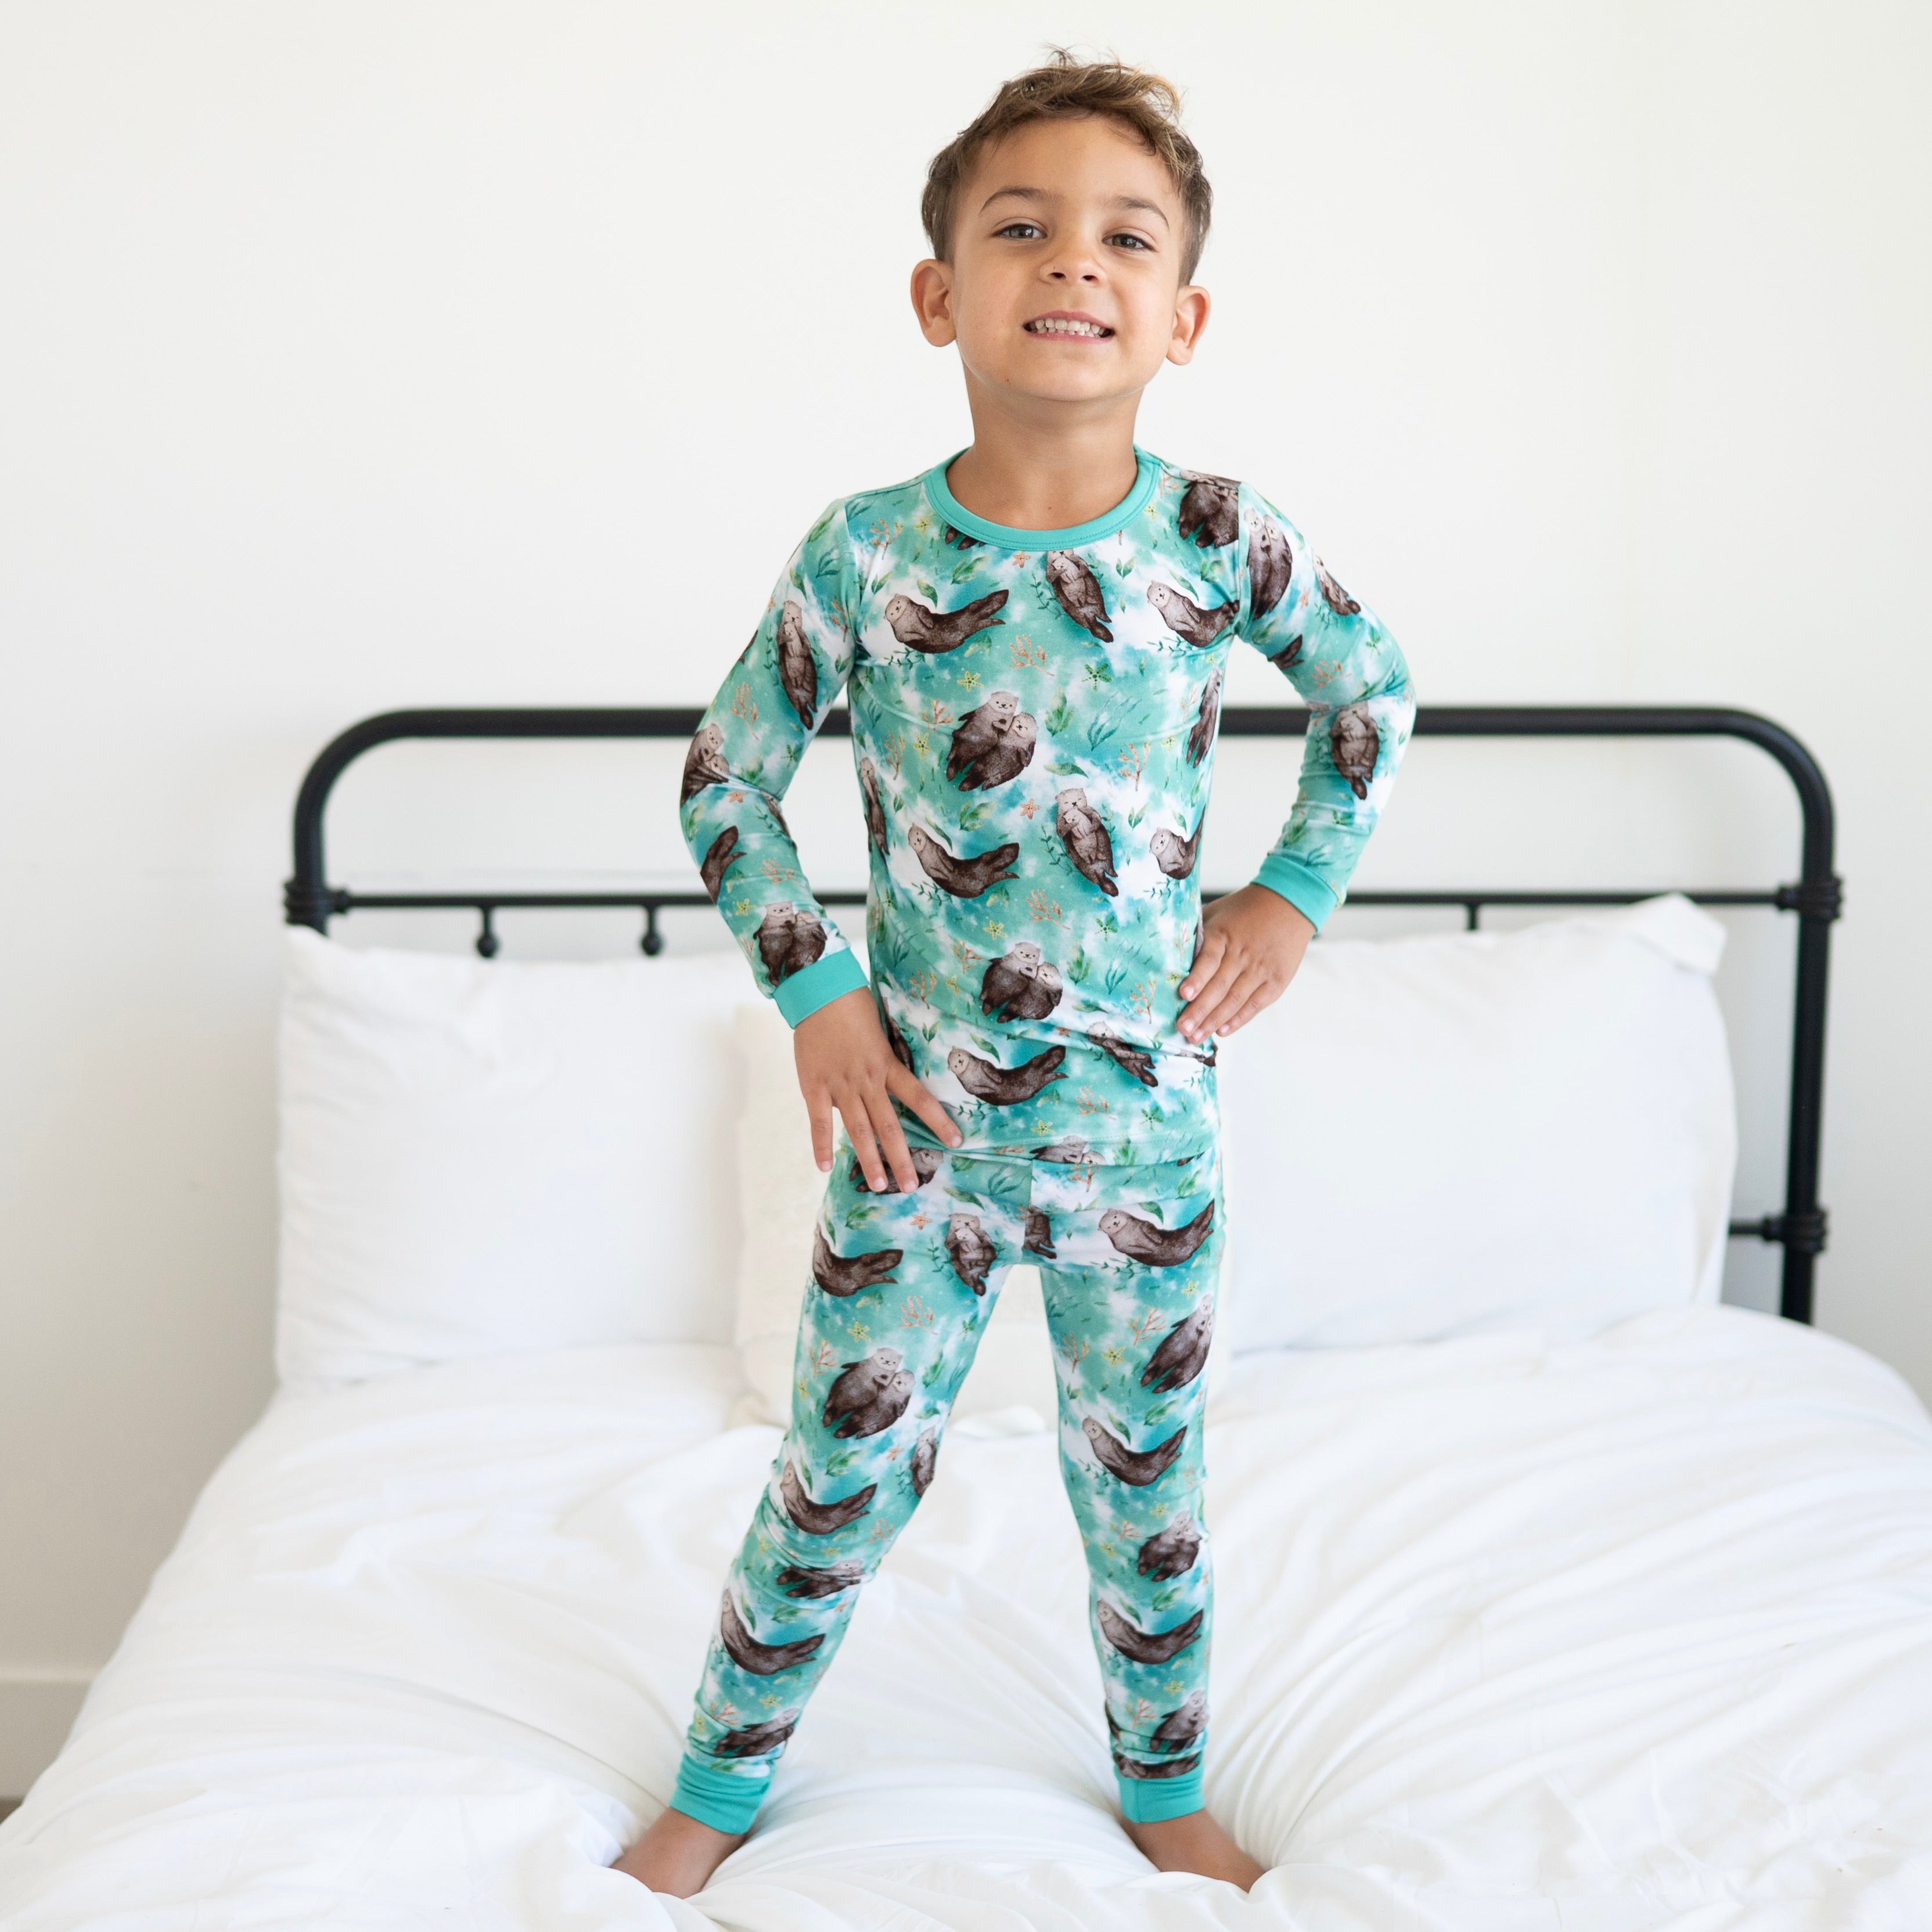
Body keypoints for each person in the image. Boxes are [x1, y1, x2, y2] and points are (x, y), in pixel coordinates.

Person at [618, 51, 1415, 1898]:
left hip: (1144, 1138)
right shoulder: (867, 553)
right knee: (836, 1480)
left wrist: (1290, 892)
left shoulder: (1219, 540)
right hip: (920, 1144)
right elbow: (727, 775)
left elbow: (1368, 692)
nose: (1075, 261)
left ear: (1182, 314)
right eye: (1022, 226)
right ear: (940, 294)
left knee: (1145, 1495)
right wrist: (815, 991)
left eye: (1125, 236)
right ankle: (716, 1797)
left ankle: (1165, 1786)